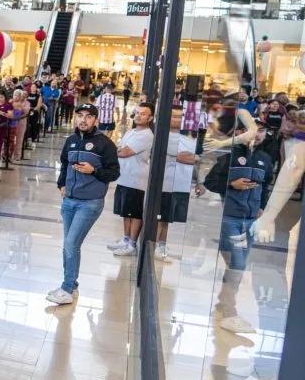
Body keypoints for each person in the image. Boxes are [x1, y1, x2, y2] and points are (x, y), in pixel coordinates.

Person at [203, 125, 274, 335]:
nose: (258, 134)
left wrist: (262, 207)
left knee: (236, 265)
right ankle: (229, 312)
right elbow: (210, 182)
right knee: (238, 265)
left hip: (250, 222)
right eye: (253, 129)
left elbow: (266, 186)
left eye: (262, 131)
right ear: (241, 132)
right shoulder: (230, 156)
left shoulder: (265, 158)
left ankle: (223, 302)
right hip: (230, 220)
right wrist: (231, 184)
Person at [49, 104, 120, 305]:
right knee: (69, 245)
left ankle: (66, 289)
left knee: (71, 243)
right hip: (69, 201)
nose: (83, 120)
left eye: (88, 116)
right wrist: (61, 184)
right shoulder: (71, 141)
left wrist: (94, 171)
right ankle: (72, 284)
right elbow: (64, 164)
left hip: (89, 203)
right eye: (80, 115)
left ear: (95, 120)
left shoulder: (105, 144)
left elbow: (114, 173)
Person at [157, 105, 205, 261]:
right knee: (159, 219)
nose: (177, 120)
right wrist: (187, 157)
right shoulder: (161, 137)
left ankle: (162, 244)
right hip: (164, 184)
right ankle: (154, 245)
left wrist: (199, 182)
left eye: (180, 117)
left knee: (167, 219)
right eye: (174, 116)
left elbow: (195, 161)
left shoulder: (189, 141)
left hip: (180, 185)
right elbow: (185, 158)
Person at [108, 103, 155, 257]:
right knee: (125, 212)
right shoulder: (131, 131)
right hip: (124, 177)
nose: (138, 116)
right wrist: (119, 150)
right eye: (137, 113)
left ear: (150, 118)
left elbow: (124, 152)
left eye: (143, 114)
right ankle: (126, 239)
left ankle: (132, 244)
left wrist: (118, 150)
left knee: (134, 213)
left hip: (136, 179)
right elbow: (119, 148)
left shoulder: (147, 135)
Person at [10, 89, 30, 162]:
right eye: (15, 95)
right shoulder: (12, 102)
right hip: (12, 123)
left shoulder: (26, 103)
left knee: (19, 139)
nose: (16, 96)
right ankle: (8, 154)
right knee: (10, 139)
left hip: (21, 123)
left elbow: (25, 111)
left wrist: (18, 106)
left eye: (18, 95)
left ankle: (17, 155)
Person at [26, 81, 44, 148]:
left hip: (34, 112)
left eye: (34, 87)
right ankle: (26, 139)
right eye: (32, 87)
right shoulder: (28, 95)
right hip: (27, 112)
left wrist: (33, 110)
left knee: (33, 125)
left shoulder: (38, 96)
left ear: (36, 88)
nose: (32, 88)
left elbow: (39, 105)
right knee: (27, 126)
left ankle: (33, 140)